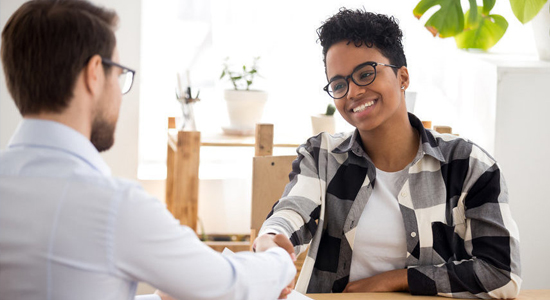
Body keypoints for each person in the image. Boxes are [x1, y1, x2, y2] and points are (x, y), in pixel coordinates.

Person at [0, 1, 296, 300]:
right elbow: (230, 285)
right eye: (118, 74)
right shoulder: (114, 206)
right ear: (94, 73)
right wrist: (277, 257)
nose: (119, 92)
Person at [254, 8, 521, 299]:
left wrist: (398, 279)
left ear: (403, 77)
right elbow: (292, 211)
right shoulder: (322, 156)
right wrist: (269, 239)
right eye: (339, 84)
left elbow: (501, 275)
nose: (352, 92)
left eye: (366, 74)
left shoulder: (470, 166)